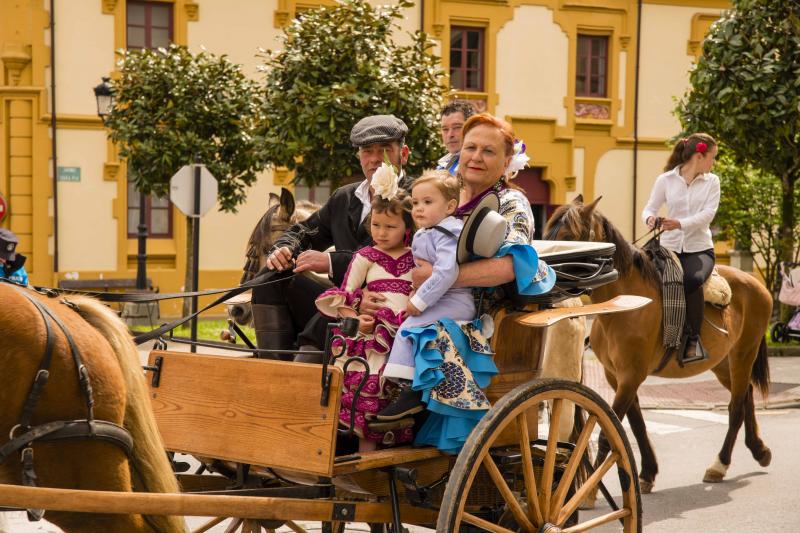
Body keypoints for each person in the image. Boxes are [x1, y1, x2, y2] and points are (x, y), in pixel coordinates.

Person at [252, 114, 414, 358]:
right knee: (269, 277)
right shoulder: (344, 197)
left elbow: (399, 256)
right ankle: (273, 366)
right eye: (367, 151)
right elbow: (305, 230)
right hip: (343, 301)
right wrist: (284, 248)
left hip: (384, 308)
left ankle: (303, 365)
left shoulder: (415, 197)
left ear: (404, 154)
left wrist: (329, 262)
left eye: (385, 149)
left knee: (330, 312)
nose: (375, 158)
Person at [315, 186, 415, 451]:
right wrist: (356, 318)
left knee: (396, 400)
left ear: (407, 227)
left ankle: (394, 459)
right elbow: (345, 295)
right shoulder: (364, 257)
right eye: (376, 225)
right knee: (369, 398)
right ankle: (365, 461)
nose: (381, 233)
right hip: (373, 339)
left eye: (390, 227)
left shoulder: (417, 256)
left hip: (404, 334)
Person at [642, 133, 719, 362]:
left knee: (691, 280)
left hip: (700, 249)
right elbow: (649, 208)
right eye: (712, 157)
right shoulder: (665, 180)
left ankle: (693, 339)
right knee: (646, 280)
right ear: (699, 156)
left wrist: (679, 224)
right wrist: (650, 219)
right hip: (668, 248)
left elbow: (708, 215)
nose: (713, 162)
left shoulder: (712, 182)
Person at [436, 101, 475, 175]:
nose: (450, 135)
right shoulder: (441, 166)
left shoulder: (477, 165)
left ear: (471, 128)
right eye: (445, 129)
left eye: (457, 127)